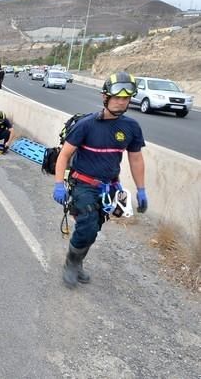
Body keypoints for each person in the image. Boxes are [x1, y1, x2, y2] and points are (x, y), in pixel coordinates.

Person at [52, 71, 148, 288]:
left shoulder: (131, 128)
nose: (121, 101)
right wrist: (59, 184)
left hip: (109, 188)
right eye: (117, 97)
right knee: (86, 223)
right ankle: (71, 263)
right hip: (83, 184)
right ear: (105, 97)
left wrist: (141, 190)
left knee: (93, 229)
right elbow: (64, 155)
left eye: (125, 98)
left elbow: (136, 159)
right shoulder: (86, 125)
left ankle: (78, 262)